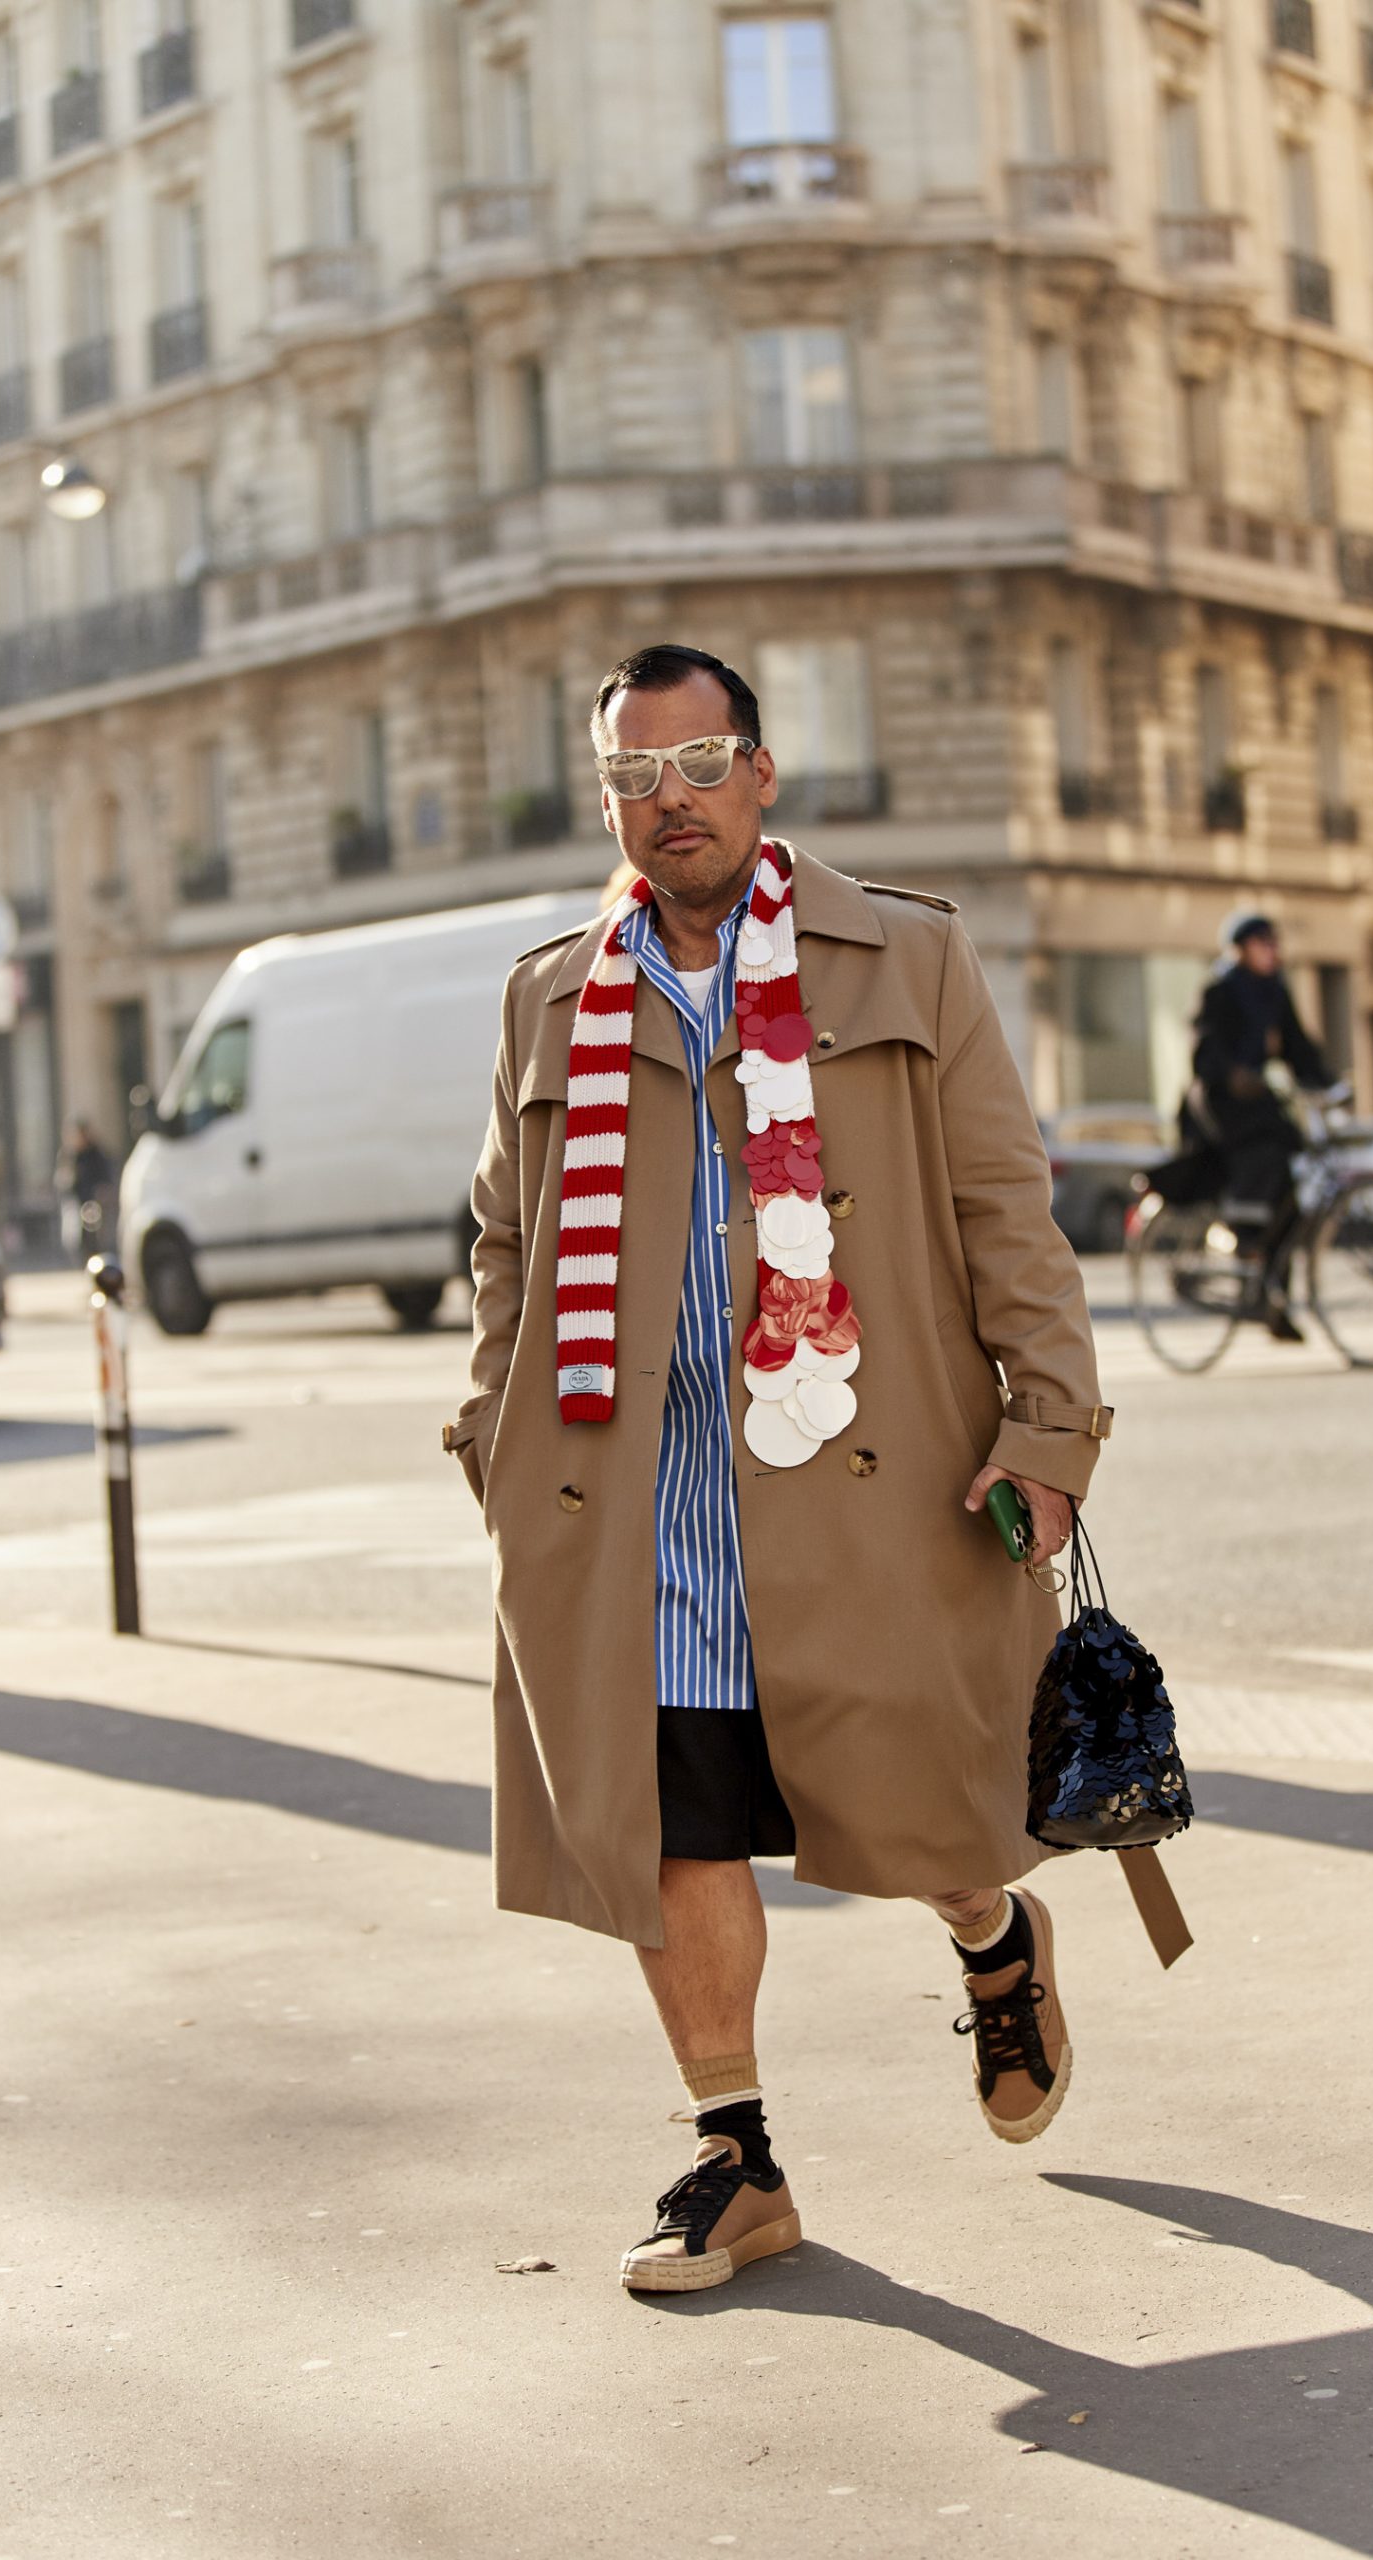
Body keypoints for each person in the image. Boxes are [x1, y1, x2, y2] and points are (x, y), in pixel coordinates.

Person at [446, 643, 1110, 2294]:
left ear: (758, 774)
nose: (660, 803)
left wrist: (1048, 1428)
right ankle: (734, 2159)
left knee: (917, 1814)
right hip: (630, 1504)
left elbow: (1004, 1217)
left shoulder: (904, 958)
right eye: (628, 778)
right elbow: (504, 1247)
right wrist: (490, 1435)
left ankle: (993, 1940)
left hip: (857, 1483)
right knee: (672, 1827)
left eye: (692, 765)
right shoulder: (552, 994)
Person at [1185, 910, 1332, 1341]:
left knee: (1293, 1177)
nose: (1272, 952)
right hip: (1219, 1100)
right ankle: (1240, 1236)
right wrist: (1232, 1073)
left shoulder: (1274, 991)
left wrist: (1327, 1084)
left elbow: (1298, 1048)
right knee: (1263, 1153)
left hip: (1258, 1097)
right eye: (1262, 944)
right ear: (1242, 949)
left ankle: (1272, 1295)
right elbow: (1202, 1051)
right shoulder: (1220, 989)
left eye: (1274, 943)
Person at [55, 1118, 117, 1265]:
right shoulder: (69, 1155)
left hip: (93, 1203)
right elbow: (62, 1180)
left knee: (94, 1239)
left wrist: (102, 1192)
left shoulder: (95, 1154)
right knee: (76, 1240)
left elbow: (105, 1177)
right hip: (75, 1203)